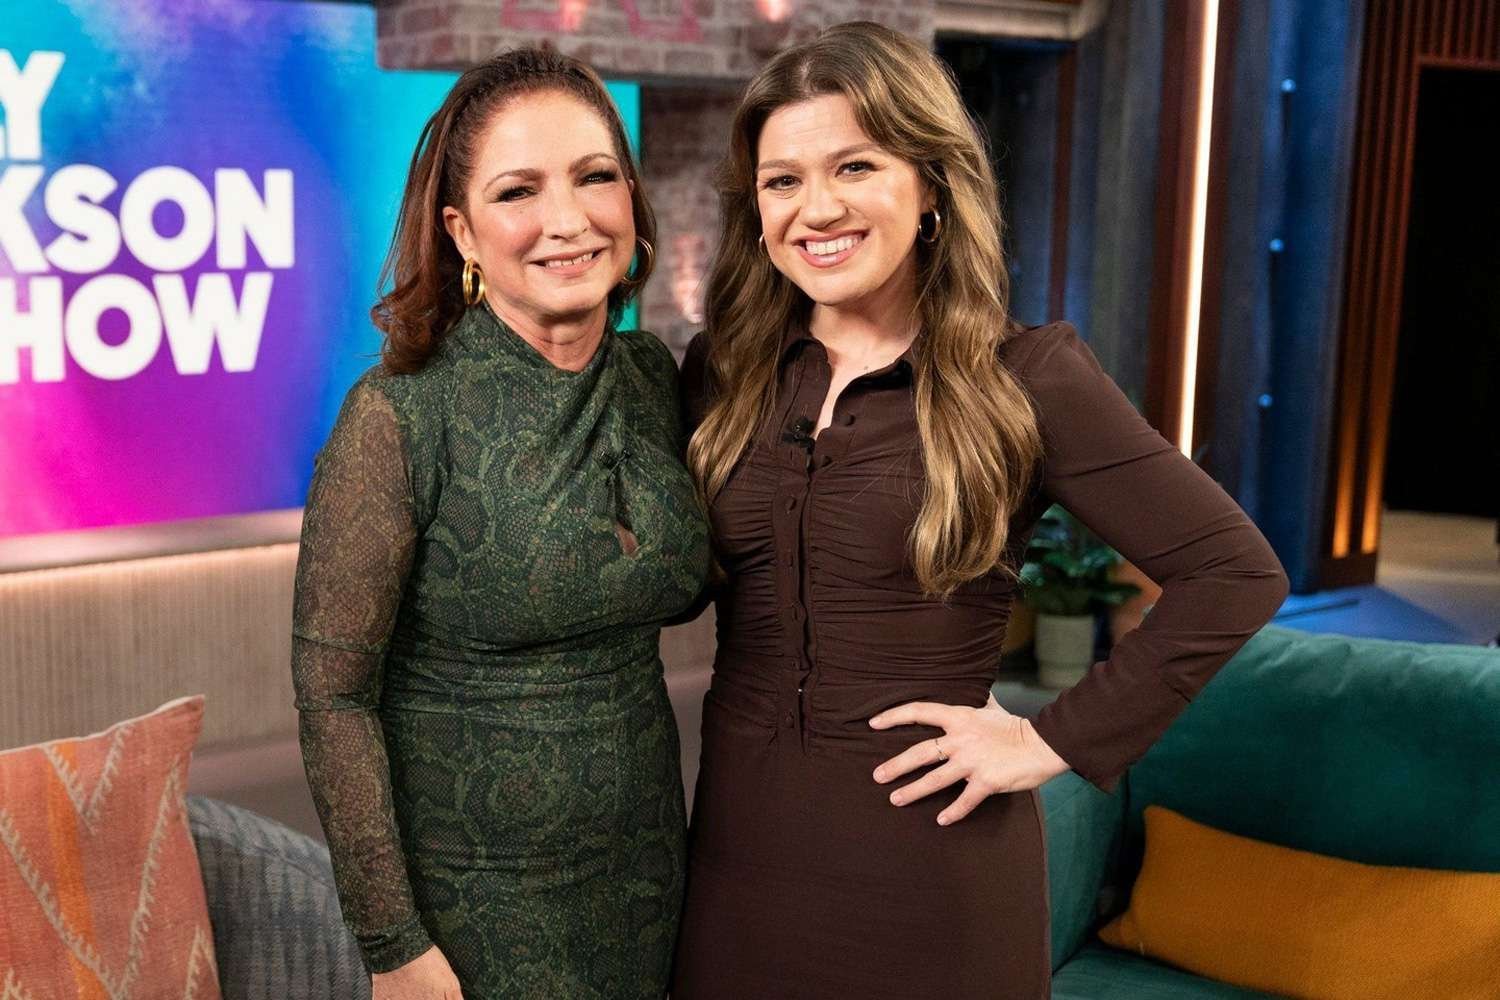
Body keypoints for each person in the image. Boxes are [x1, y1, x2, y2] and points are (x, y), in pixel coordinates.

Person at [672, 21, 1290, 999]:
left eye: (855, 166)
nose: (816, 207)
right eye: (782, 180)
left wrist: (1048, 739)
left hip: (935, 877)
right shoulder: (724, 371)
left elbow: (1236, 573)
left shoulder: (1024, 376)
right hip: (737, 868)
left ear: (930, 184)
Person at [290, 48, 709, 1000]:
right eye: (519, 191)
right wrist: (392, 944)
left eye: (595, 177)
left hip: (649, 887)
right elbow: (333, 696)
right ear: (462, 232)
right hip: (471, 915)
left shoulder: (655, 379)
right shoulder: (399, 415)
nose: (568, 220)